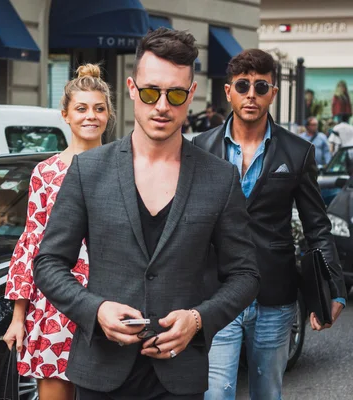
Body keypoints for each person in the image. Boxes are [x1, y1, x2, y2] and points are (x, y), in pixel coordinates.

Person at [33, 28, 260, 399]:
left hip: (180, 374)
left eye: (174, 95)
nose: (161, 106)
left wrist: (199, 320)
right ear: (132, 88)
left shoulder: (219, 178)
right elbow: (48, 263)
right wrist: (97, 309)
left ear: (191, 95)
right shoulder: (89, 171)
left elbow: (245, 274)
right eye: (151, 92)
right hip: (101, 372)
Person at [192, 49, 348, 400]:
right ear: (228, 91)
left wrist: (334, 287)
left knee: (267, 392)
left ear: (273, 93)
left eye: (261, 86)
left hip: (274, 295)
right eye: (243, 85)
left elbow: (316, 225)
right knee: (216, 392)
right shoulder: (201, 148)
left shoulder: (297, 152)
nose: (251, 94)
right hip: (218, 292)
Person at [3, 63, 114, 399]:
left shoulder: (126, 167)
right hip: (53, 304)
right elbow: (31, 240)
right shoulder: (45, 172)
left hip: (110, 299)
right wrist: (18, 316)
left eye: (99, 108)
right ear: (65, 115)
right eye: (81, 108)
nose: (90, 116)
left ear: (109, 114)